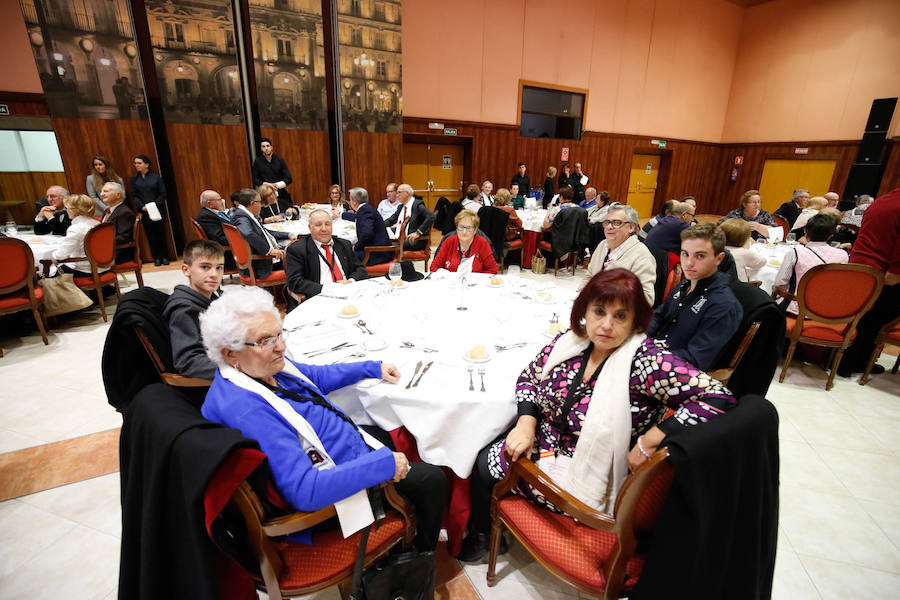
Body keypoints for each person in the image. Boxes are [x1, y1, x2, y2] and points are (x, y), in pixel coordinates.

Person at [457, 269, 737, 561]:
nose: (606, 325)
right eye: (599, 311)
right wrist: (526, 423)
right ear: (585, 312)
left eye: (620, 316)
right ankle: (485, 532)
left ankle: (494, 528)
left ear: (635, 320)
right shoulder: (572, 342)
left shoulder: (647, 361)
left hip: (592, 468)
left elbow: (719, 398)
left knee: (485, 463)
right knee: (482, 455)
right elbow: (530, 377)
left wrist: (653, 438)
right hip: (547, 443)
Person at [199, 286, 446, 551]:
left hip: (337, 442)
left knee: (393, 430)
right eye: (265, 340)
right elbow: (306, 491)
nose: (281, 347)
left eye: (279, 334)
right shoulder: (249, 410)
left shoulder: (255, 369)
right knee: (432, 480)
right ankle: (419, 553)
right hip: (332, 480)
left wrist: (372, 368)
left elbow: (314, 377)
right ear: (229, 353)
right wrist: (382, 466)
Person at [649, 223, 743, 370]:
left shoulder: (723, 305)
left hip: (676, 372)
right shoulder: (685, 284)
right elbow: (659, 316)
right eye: (685, 254)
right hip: (655, 355)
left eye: (700, 256)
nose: (689, 263)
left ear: (719, 259)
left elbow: (696, 359)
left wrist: (650, 356)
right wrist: (636, 338)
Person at [837, 187, 900, 377]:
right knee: (876, 319)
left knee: (859, 314)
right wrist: (896, 271)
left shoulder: (882, 200)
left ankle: (843, 361)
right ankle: (858, 362)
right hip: (883, 269)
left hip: (860, 263)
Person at [164, 240, 224, 380]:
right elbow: (188, 362)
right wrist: (240, 368)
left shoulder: (213, 298)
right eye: (205, 267)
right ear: (186, 270)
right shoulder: (184, 309)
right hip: (213, 383)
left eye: (219, 267)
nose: (214, 274)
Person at [580, 203, 656, 304]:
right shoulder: (603, 245)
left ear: (631, 227)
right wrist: (581, 298)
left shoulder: (642, 256)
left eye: (617, 223)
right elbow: (589, 276)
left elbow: (646, 300)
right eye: (607, 222)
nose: (609, 227)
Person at [774, 214, 848, 315]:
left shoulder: (795, 252)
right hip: (827, 311)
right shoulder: (843, 255)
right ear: (830, 236)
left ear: (806, 234)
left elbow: (779, 283)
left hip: (796, 310)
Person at [286, 209, 367, 299]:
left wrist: (350, 281)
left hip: (349, 293)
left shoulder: (344, 244)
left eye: (327, 224)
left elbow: (361, 270)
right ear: (310, 227)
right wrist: (328, 288)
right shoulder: (298, 250)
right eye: (318, 225)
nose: (324, 229)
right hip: (320, 297)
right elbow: (294, 282)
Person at [231, 188, 295, 280]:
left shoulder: (246, 214)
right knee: (302, 254)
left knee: (298, 247)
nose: (261, 205)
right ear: (252, 203)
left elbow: (264, 231)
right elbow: (248, 234)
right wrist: (269, 250)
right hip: (262, 265)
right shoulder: (241, 217)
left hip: (267, 257)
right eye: (260, 202)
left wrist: (288, 235)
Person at [430, 209, 498, 275]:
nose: (464, 232)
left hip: (475, 282)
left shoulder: (482, 243)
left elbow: (493, 269)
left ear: (475, 230)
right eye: (461, 227)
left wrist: (477, 279)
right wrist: (445, 275)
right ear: (456, 228)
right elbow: (434, 267)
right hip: (452, 281)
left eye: (468, 228)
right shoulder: (449, 242)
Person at [51, 194, 105, 277]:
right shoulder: (98, 224)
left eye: (67, 208)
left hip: (85, 269)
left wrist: (52, 257)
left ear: (74, 210)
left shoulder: (76, 228)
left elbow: (61, 254)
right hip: (104, 266)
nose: (66, 211)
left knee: (47, 272)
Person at [130, 154, 169, 266]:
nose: (136, 165)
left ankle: (164, 256)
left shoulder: (156, 177)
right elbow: (135, 195)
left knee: (161, 233)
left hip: (157, 209)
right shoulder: (134, 179)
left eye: (139, 163)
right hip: (143, 210)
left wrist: (154, 205)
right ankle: (156, 257)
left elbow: (163, 193)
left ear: (146, 164)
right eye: (135, 163)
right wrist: (142, 206)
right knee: (150, 234)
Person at [384, 184, 435, 252]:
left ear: (407, 193)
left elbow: (431, 216)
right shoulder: (401, 207)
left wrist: (418, 232)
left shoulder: (417, 205)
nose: (397, 195)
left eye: (399, 192)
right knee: (383, 243)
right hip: (401, 240)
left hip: (414, 241)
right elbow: (391, 220)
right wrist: (379, 225)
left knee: (387, 245)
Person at [348, 187, 392, 266]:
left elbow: (367, 234)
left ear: (354, 201)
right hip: (377, 252)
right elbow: (356, 218)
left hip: (376, 254)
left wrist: (356, 247)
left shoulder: (365, 210)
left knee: (344, 256)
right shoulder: (366, 208)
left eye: (350, 200)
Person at [195, 189, 237, 270]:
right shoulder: (206, 217)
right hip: (228, 255)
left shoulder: (215, 213)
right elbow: (218, 238)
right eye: (219, 200)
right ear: (209, 203)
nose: (222, 202)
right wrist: (240, 240)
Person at [251, 138, 293, 213]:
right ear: (261, 149)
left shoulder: (279, 160)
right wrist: (267, 184)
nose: (266, 148)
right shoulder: (258, 162)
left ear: (271, 147)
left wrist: (277, 185)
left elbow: (289, 178)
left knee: (287, 213)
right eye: (263, 146)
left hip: (281, 193)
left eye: (268, 146)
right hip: (265, 196)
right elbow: (255, 180)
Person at [719, 218, 766, 283]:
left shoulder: (716, 249)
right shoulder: (743, 253)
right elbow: (762, 262)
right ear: (745, 239)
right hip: (738, 285)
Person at [100, 182, 136, 264]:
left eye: (106, 191)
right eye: (101, 191)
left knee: (83, 264)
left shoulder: (125, 212)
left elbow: (124, 237)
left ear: (118, 195)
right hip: (107, 251)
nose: (102, 194)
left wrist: (102, 244)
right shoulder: (107, 211)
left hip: (118, 253)